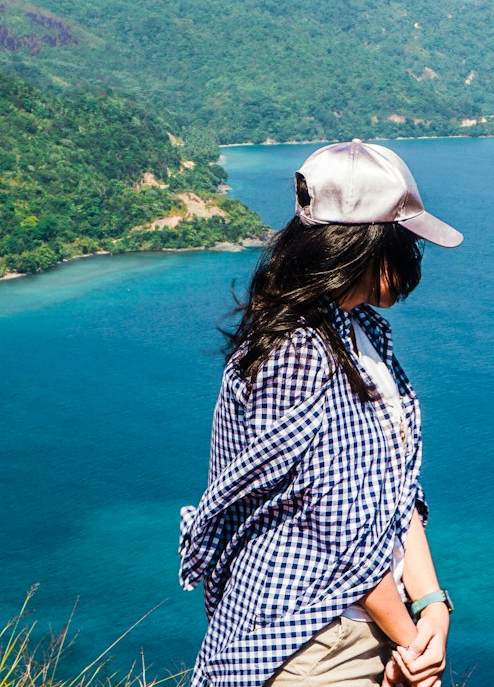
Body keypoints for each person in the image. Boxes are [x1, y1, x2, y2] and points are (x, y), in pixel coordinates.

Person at [179, 138, 463, 687]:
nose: (415, 260)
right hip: (307, 646)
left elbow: (395, 492)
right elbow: (340, 530)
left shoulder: (362, 333)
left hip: (371, 624)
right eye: (408, 243)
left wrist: (432, 607)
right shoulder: (298, 353)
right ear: (365, 246)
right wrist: (414, 644)